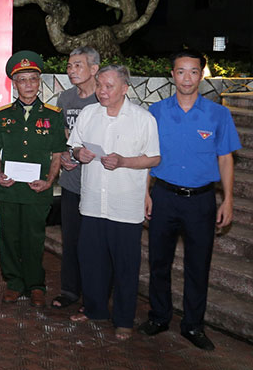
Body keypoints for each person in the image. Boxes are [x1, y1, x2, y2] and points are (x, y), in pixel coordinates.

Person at [138, 49, 240, 351]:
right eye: (181, 71)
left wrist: (229, 199)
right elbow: (147, 155)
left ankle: (194, 325)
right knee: (159, 261)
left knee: (198, 265)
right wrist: (145, 192)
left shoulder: (218, 114)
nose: (187, 77)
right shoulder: (155, 112)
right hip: (164, 197)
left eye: (194, 71)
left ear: (201, 75)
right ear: (172, 75)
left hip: (201, 202)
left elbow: (225, 159)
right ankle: (158, 317)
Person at [66, 65, 160, 340]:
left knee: (125, 266)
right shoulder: (88, 113)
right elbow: (74, 144)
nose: (102, 91)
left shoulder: (143, 119)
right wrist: (79, 153)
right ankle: (94, 309)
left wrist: (124, 162)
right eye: (99, 86)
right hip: (93, 201)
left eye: (108, 86)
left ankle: (124, 319)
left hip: (125, 204)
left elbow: (154, 158)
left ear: (124, 89)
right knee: (92, 260)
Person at [0, 50, 66, 308]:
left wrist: (49, 181)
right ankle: (13, 283)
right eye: (23, 80)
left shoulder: (53, 116)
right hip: (9, 189)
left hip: (38, 189)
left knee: (34, 239)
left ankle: (35, 284)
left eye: (33, 79)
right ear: (14, 83)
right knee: (8, 237)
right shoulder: (2, 115)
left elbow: (57, 154)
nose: (28, 85)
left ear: (39, 82)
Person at [52, 46, 100, 309]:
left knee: (94, 242)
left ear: (94, 69)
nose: (71, 71)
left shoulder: (103, 100)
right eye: (69, 66)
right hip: (71, 183)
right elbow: (62, 136)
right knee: (70, 239)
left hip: (97, 184)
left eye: (78, 66)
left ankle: (94, 295)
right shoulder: (66, 98)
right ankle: (69, 290)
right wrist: (63, 154)